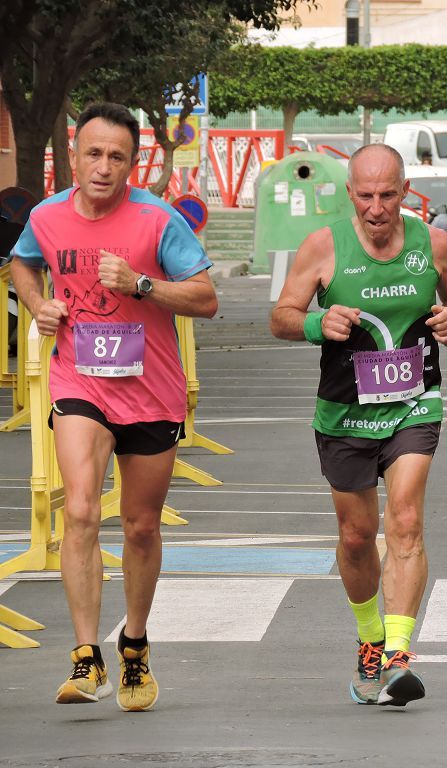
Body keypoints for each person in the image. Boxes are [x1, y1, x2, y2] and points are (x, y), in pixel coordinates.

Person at [9, 102, 218, 710]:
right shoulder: (46, 217)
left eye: (117, 157)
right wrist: (36, 304)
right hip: (80, 380)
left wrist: (141, 284)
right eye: (93, 154)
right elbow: (22, 261)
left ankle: (133, 645)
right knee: (78, 509)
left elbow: (206, 299)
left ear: (133, 163)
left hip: (151, 389)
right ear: (72, 156)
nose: (103, 167)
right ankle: (84, 657)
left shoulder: (157, 221)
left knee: (140, 524)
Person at [270, 144, 447, 707]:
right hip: (344, 412)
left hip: (414, 402)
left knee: (405, 517)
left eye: (388, 195)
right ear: (350, 194)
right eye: (366, 196)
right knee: (358, 536)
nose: (377, 208)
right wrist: (315, 321)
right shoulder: (322, 247)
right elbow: (281, 316)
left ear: (405, 192)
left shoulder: (430, 243)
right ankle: (370, 640)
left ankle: (400, 654)